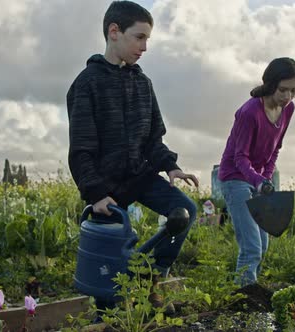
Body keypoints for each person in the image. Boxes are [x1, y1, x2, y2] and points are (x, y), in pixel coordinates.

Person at [67, 0, 198, 310]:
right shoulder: (86, 84)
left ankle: (148, 276)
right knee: (107, 281)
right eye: (139, 37)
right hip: (105, 186)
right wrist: (96, 193)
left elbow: (153, 138)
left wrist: (170, 166)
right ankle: (106, 313)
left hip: (140, 176)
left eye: (147, 39)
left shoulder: (143, 83)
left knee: (184, 211)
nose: (145, 47)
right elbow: (81, 149)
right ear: (115, 32)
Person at [218, 57, 295, 286]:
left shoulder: (288, 109)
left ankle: (249, 290)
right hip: (235, 178)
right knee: (252, 247)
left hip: (257, 179)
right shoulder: (249, 112)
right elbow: (240, 157)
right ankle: (243, 299)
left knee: (263, 245)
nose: (288, 97)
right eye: (283, 90)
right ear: (270, 83)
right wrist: (258, 181)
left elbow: (275, 149)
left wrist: (265, 179)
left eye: (293, 91)